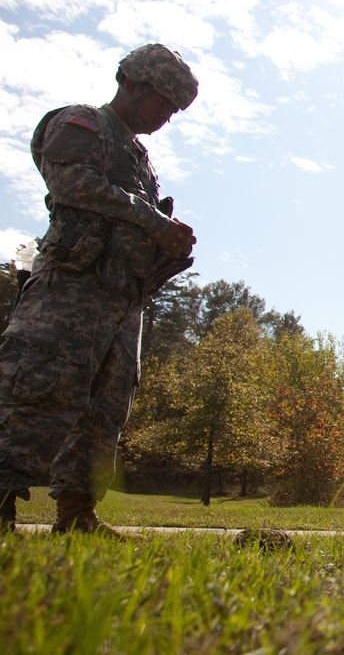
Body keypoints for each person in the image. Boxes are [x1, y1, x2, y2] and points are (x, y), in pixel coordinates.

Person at [0, 43, 199, 537]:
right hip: (69, 292)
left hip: (121, 299)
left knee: (104, 412)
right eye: (162, 103)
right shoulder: (82, 123)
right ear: (131, 84)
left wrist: (166, 247)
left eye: (173, 111)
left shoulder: (138, 157)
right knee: (40, 392)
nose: (164, 117)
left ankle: (77, 513)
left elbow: (126, 221)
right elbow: (70, 183)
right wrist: (153, 222)